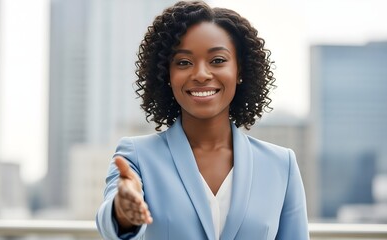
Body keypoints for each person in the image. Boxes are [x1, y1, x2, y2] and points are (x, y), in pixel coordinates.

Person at [96, 1, 309, 239]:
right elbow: (111, 220)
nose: (200, 74)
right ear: (167, 74)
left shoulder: (281, 164)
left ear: (239, 71)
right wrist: (122, 212)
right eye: (184, 62)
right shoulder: (136, 155)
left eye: (217, 60)